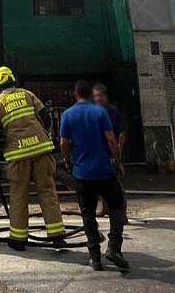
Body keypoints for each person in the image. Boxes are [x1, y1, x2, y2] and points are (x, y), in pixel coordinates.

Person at [0, 66, 65, 250]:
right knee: (47, 190)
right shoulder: (28, 94)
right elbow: (46, 116)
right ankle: (57, 236)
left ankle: (18, 239)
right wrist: (46, 135)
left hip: (19, 154)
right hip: (41, 149)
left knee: (18, 195)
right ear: (12, 80)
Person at [60, 79, 130, 271]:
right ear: (90, 95)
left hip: (82, 175)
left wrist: (67, 161)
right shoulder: (100, 112)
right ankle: (114, 247)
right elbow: (110, 139)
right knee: (117, 207)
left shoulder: (68, 114)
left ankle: (95, 257)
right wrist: (118, 161)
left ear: (76, 95)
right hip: (105, 172)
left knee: (88, 214)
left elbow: (64, 143)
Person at [92, 82, 127, 217]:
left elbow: (122, 132)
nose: (98, 99)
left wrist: (119, 151)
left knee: (116, 186)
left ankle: (123, 215)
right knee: (101, 184)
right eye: (96, 96)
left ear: (105, 97)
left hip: (112, 153)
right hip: (99, 154)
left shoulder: (112, 111)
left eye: (100, 96)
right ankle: (105, 209)